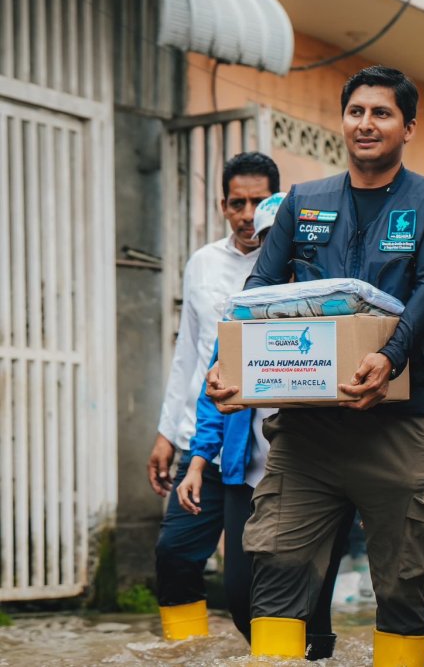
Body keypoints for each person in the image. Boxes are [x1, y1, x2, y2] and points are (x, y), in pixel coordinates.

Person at [206, 65, 424, 666]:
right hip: (308, 430)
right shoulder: (304, 202)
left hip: (398, 422)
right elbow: (259, 293)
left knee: (402, 582)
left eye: (382, 113)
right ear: (343, 120)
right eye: (357, 111)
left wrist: (387, 356)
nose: (367, 123)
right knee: (274, 566)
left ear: (408, 126)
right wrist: (229, 369)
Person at [172, 194, 353, 659]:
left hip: (321, 475)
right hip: (247, 475)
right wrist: (196, 462)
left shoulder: (336, 310)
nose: (280, 253)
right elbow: (214, 395)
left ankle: (311, 652)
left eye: (288, 243)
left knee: (312, 603)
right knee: (239, 597)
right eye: (271, 243)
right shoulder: (241, 315)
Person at [148, 152, 279, 641]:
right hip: (203, 442)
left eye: (259, 202)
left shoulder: (290, 265)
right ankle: (189, 652)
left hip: (266, 450)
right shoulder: (203, 264)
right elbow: (189, 351)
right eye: (237, 203)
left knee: (251, 582)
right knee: (176, 555)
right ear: (223, 205)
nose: (248, 214)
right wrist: (166, 432)